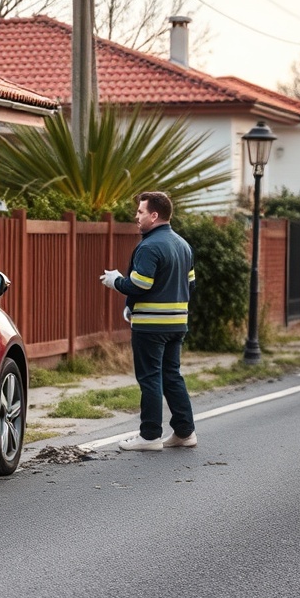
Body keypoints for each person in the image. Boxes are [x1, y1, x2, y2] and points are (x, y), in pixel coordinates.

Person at [100, 191, 196, 452]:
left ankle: (150, 435)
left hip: (151, 326)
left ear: (154, 215)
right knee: (172, 375)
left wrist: (115, 281)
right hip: (178, 324)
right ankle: (185, 432)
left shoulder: (149, 246)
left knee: (150, 377)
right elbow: (191, 284)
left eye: (140, 212)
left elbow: (140, 284)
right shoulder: (183, 245)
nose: (136, 216)